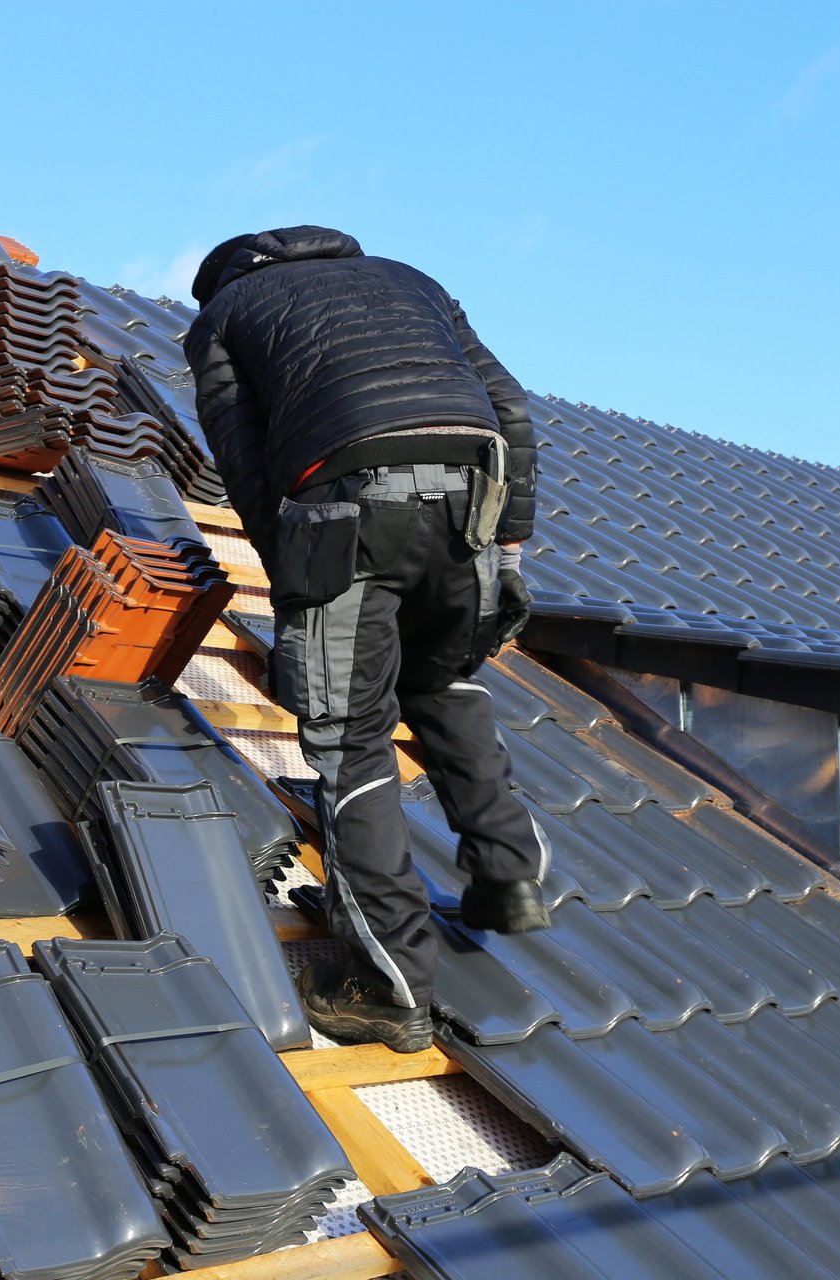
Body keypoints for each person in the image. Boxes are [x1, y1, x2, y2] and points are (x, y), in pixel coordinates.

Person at [185, 226, 550, 1054]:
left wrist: (297, 577)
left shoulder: (225, 315)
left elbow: (245, 461)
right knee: (440, 677)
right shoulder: (411, 279)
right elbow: (512, 408)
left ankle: (389, 987)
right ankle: (508, 875)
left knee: (350, 740)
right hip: (473, 493)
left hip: (348, 499)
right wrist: (510, 543)